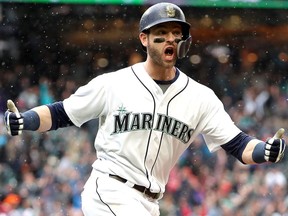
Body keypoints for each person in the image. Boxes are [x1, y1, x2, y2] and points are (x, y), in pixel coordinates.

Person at [4, 2, 286, 216]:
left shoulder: (202, 98)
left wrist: (266, 150)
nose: (170, 40)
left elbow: (238, 145)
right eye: (161, 33)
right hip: (110, 191)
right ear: (144, 39)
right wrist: (24, 120)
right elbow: (60, 113)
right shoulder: (114, 83)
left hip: (150, 203)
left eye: (176, 34)